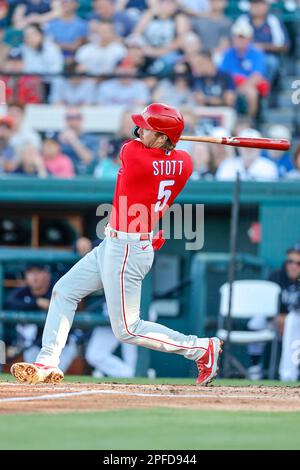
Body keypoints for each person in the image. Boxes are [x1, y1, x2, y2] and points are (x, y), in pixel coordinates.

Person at [11, 103, 223, 385]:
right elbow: (163, 150)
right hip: (117, 243)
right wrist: (165, 140)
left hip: (127, 249)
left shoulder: (134, 155)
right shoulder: (185, 162)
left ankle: (199, 348)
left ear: (161, 138)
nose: (140, 129)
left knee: (127, 329)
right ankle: (48, 361)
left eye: (148, 127)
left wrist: (160, 139)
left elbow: (133, 142)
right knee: (64, 290)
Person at [5, 263, 79, 371]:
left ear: (47, 274)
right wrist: (36, 303)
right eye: (30, 272)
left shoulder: (58, 288)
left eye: (38, 272)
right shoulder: (24, 291)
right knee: (31, 371)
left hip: (63, 344)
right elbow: (9, 303)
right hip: (36, 344)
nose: (34, 277)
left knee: (54, 372)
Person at [248, 243, 300, 381]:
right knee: (256, 322)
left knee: (292, 321)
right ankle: (255, 366)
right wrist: (277, 317)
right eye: (290, 261)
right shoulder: (276, 276)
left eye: (298, 263)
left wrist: (287, 318)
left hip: (296, 323)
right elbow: (265, 305)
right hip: (276, 320)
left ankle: (290, 374)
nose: (293, 266)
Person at [220, 20, 269, 117]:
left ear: (249, 39)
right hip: (232, 84)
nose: (240, 40)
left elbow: (257, 75)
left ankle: (250, 120)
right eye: (238, 37)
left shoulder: (256, 53)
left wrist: (240, 89)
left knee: (251, 93)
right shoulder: (228, 53)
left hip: (249, 85)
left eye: (243, 38)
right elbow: (223, 74)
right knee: (228, 94)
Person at [234, 0, 290, 85]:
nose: (256, 7)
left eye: (259, 4)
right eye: (254, 3)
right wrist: (250, 47)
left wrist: (262, 46)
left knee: (270, 62)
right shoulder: (243, 19)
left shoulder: (273, 20)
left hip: (266, 56)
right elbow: (233, 40)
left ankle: (263, 91)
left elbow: (284, 45)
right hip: (244, 55)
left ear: (266, 6)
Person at [58, 107, 99, 174]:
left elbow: (89, 160)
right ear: (65, 120)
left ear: (82, 119)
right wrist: (58, 144)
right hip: (63, 177)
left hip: (85, 177)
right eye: (69, 117)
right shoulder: (58, 138)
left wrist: (73, 140)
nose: (73, 121)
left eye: (77, 117)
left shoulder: (92, 139)